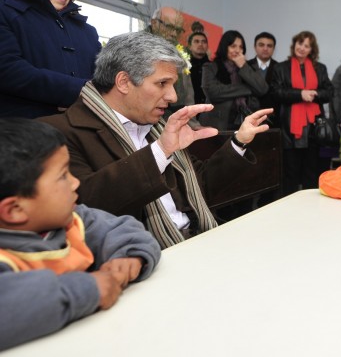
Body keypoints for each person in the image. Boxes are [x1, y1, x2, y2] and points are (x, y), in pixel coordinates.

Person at [40, 31, 272, 249]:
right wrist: (160, 152)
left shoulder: (156, 125)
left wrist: (238, 142)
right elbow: (84, 208)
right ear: (123, 82)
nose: (173, 97)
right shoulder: (57, 132)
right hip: (140, 256)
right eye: (162, 84)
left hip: (197, 240)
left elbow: (203, 188)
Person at [0, 118, 160, 351]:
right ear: (15, 210)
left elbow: (124, 229)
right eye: (63, 176)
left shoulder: (74, 219)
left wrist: (130, 256)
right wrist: (88, 289)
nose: (75, 183)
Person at [0, 0, 100, 118]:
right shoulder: (5, 11)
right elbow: (8, 70)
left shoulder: (88, 31)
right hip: (21, 130)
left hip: (81, 129)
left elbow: (102, 79)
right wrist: (78, 92)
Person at [270, 30, 334, 196]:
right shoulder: (280, 67)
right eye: (300, 43)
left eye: (307, 46)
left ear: (312, 49)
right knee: (290, 174)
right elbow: (275, 93)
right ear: (294, 44)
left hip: (314, 129)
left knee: (311, 173)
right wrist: (300, 94)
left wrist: (315, 94)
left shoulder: (320, 68)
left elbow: (329, 92)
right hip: (289, 128)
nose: (302, 48)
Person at [200, 30, 267, 131]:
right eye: (233, 46)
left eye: (241, 47)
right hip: (217, 125)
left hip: (243, 123)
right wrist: (248, 88)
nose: (237, 50)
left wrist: (243, 66)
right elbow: (213, 92)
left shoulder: (247, 68)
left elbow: (263, 89)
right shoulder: (210, 67)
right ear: (224, 47)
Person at [247, 32, 279, 124]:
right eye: (261, 45)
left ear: (273, 49)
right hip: (249, 117)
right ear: (254, 47)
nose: (265, 48)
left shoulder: (280, 68)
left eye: (269, 46)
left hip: (273, 119)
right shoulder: (246, 66)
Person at [188, 30, 210, 105]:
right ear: (190, 46)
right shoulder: (184, 67)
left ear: (207, 46)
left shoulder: (214, 67)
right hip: (189, 109)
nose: (200, 44)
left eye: (204, 42)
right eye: (196, 41)